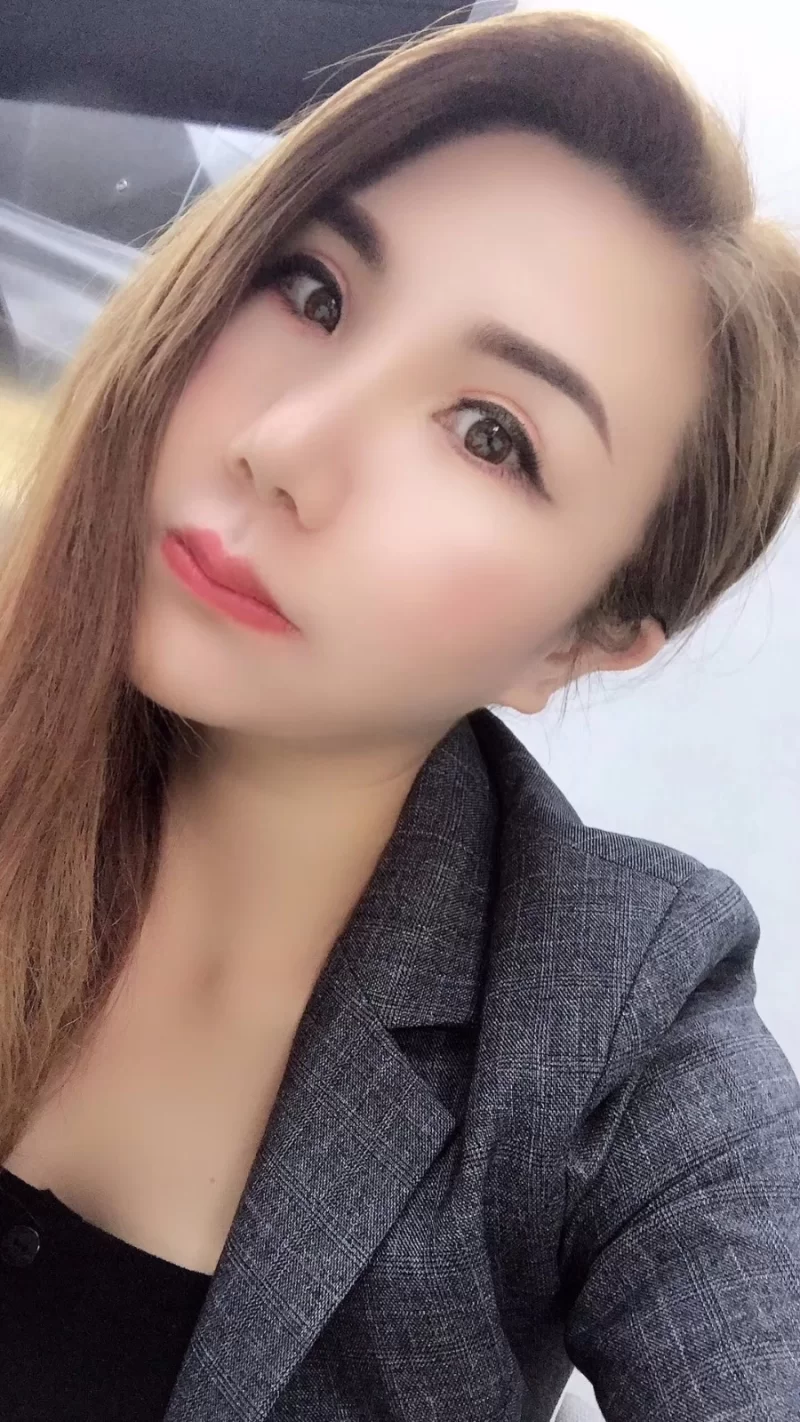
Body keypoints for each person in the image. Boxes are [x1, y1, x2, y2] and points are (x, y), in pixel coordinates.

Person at [0, 9, 797, 1421]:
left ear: (579, 639)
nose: (284, 446)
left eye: (492, 436)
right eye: (313, 290)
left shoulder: (611, 1026)